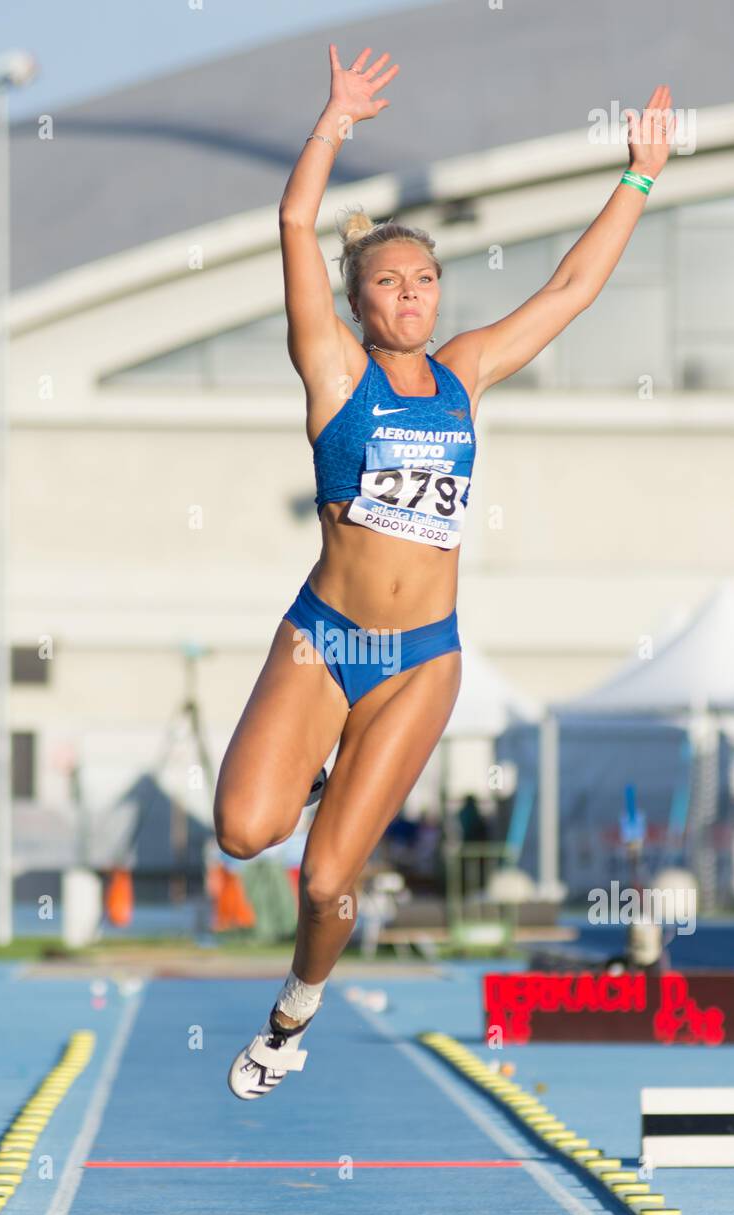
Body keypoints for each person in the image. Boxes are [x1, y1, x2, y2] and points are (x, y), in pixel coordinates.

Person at [214, 42, 675, 1099]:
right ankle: (316, 763)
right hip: (323, 639)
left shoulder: (463, 374)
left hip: (420, 659)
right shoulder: (332, 372)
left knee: (328, 877)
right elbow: (293, 224)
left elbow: (566, 292)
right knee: (245, 830)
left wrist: (637, 178)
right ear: (359, 301)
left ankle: (294, 1011)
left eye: (424, 281)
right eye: (389, 283)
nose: (412, 297)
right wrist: (332, 121)